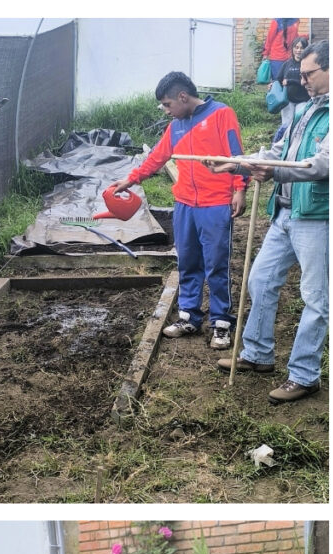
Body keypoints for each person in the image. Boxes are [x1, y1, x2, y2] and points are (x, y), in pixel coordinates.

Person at [209, 40, 328, 403]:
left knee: (316, 299)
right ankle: (258, 354)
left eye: (308, 73)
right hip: (285, 212)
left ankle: (304, 375)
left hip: (318, 218)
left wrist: (275, 171)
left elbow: (323, 164)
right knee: (260, 279)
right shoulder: (304, 109)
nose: (301, 80)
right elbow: (279, 152)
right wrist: (236, 163)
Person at [112, 72, 246, 349]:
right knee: (187, 260)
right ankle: (189, 316)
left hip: (215, 203)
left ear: (183, 97)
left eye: (167, 104)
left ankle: (221, 322)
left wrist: (239, 189)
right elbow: (157, 157)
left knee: (216, 264)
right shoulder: (176, 126)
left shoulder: (222, 114)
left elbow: (237, 155)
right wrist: (131, 180)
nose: (166, 110)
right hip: (184, 203)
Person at [278, 36, 311, 136]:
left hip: (303, 100)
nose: (298, 50)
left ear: (306, 49)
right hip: (287, 101)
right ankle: (284, 143)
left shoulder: (308, 64)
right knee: (286, 125)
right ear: (292, 49)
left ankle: (296, 144)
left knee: (299, 125)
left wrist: (290, 81)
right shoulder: (287, 64)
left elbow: (308, 81)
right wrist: (273, 85)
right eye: (296, 47)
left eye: (301, 48)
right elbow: (279, 79)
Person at [262, 19, 300, 86]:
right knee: (277, 82)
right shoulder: (276, 21)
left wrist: (306, 36)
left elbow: (296, 36)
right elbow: (269, 38)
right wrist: (266, 53)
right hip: (277, 57)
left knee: (288, 81)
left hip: (289, 57)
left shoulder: (296, 20)